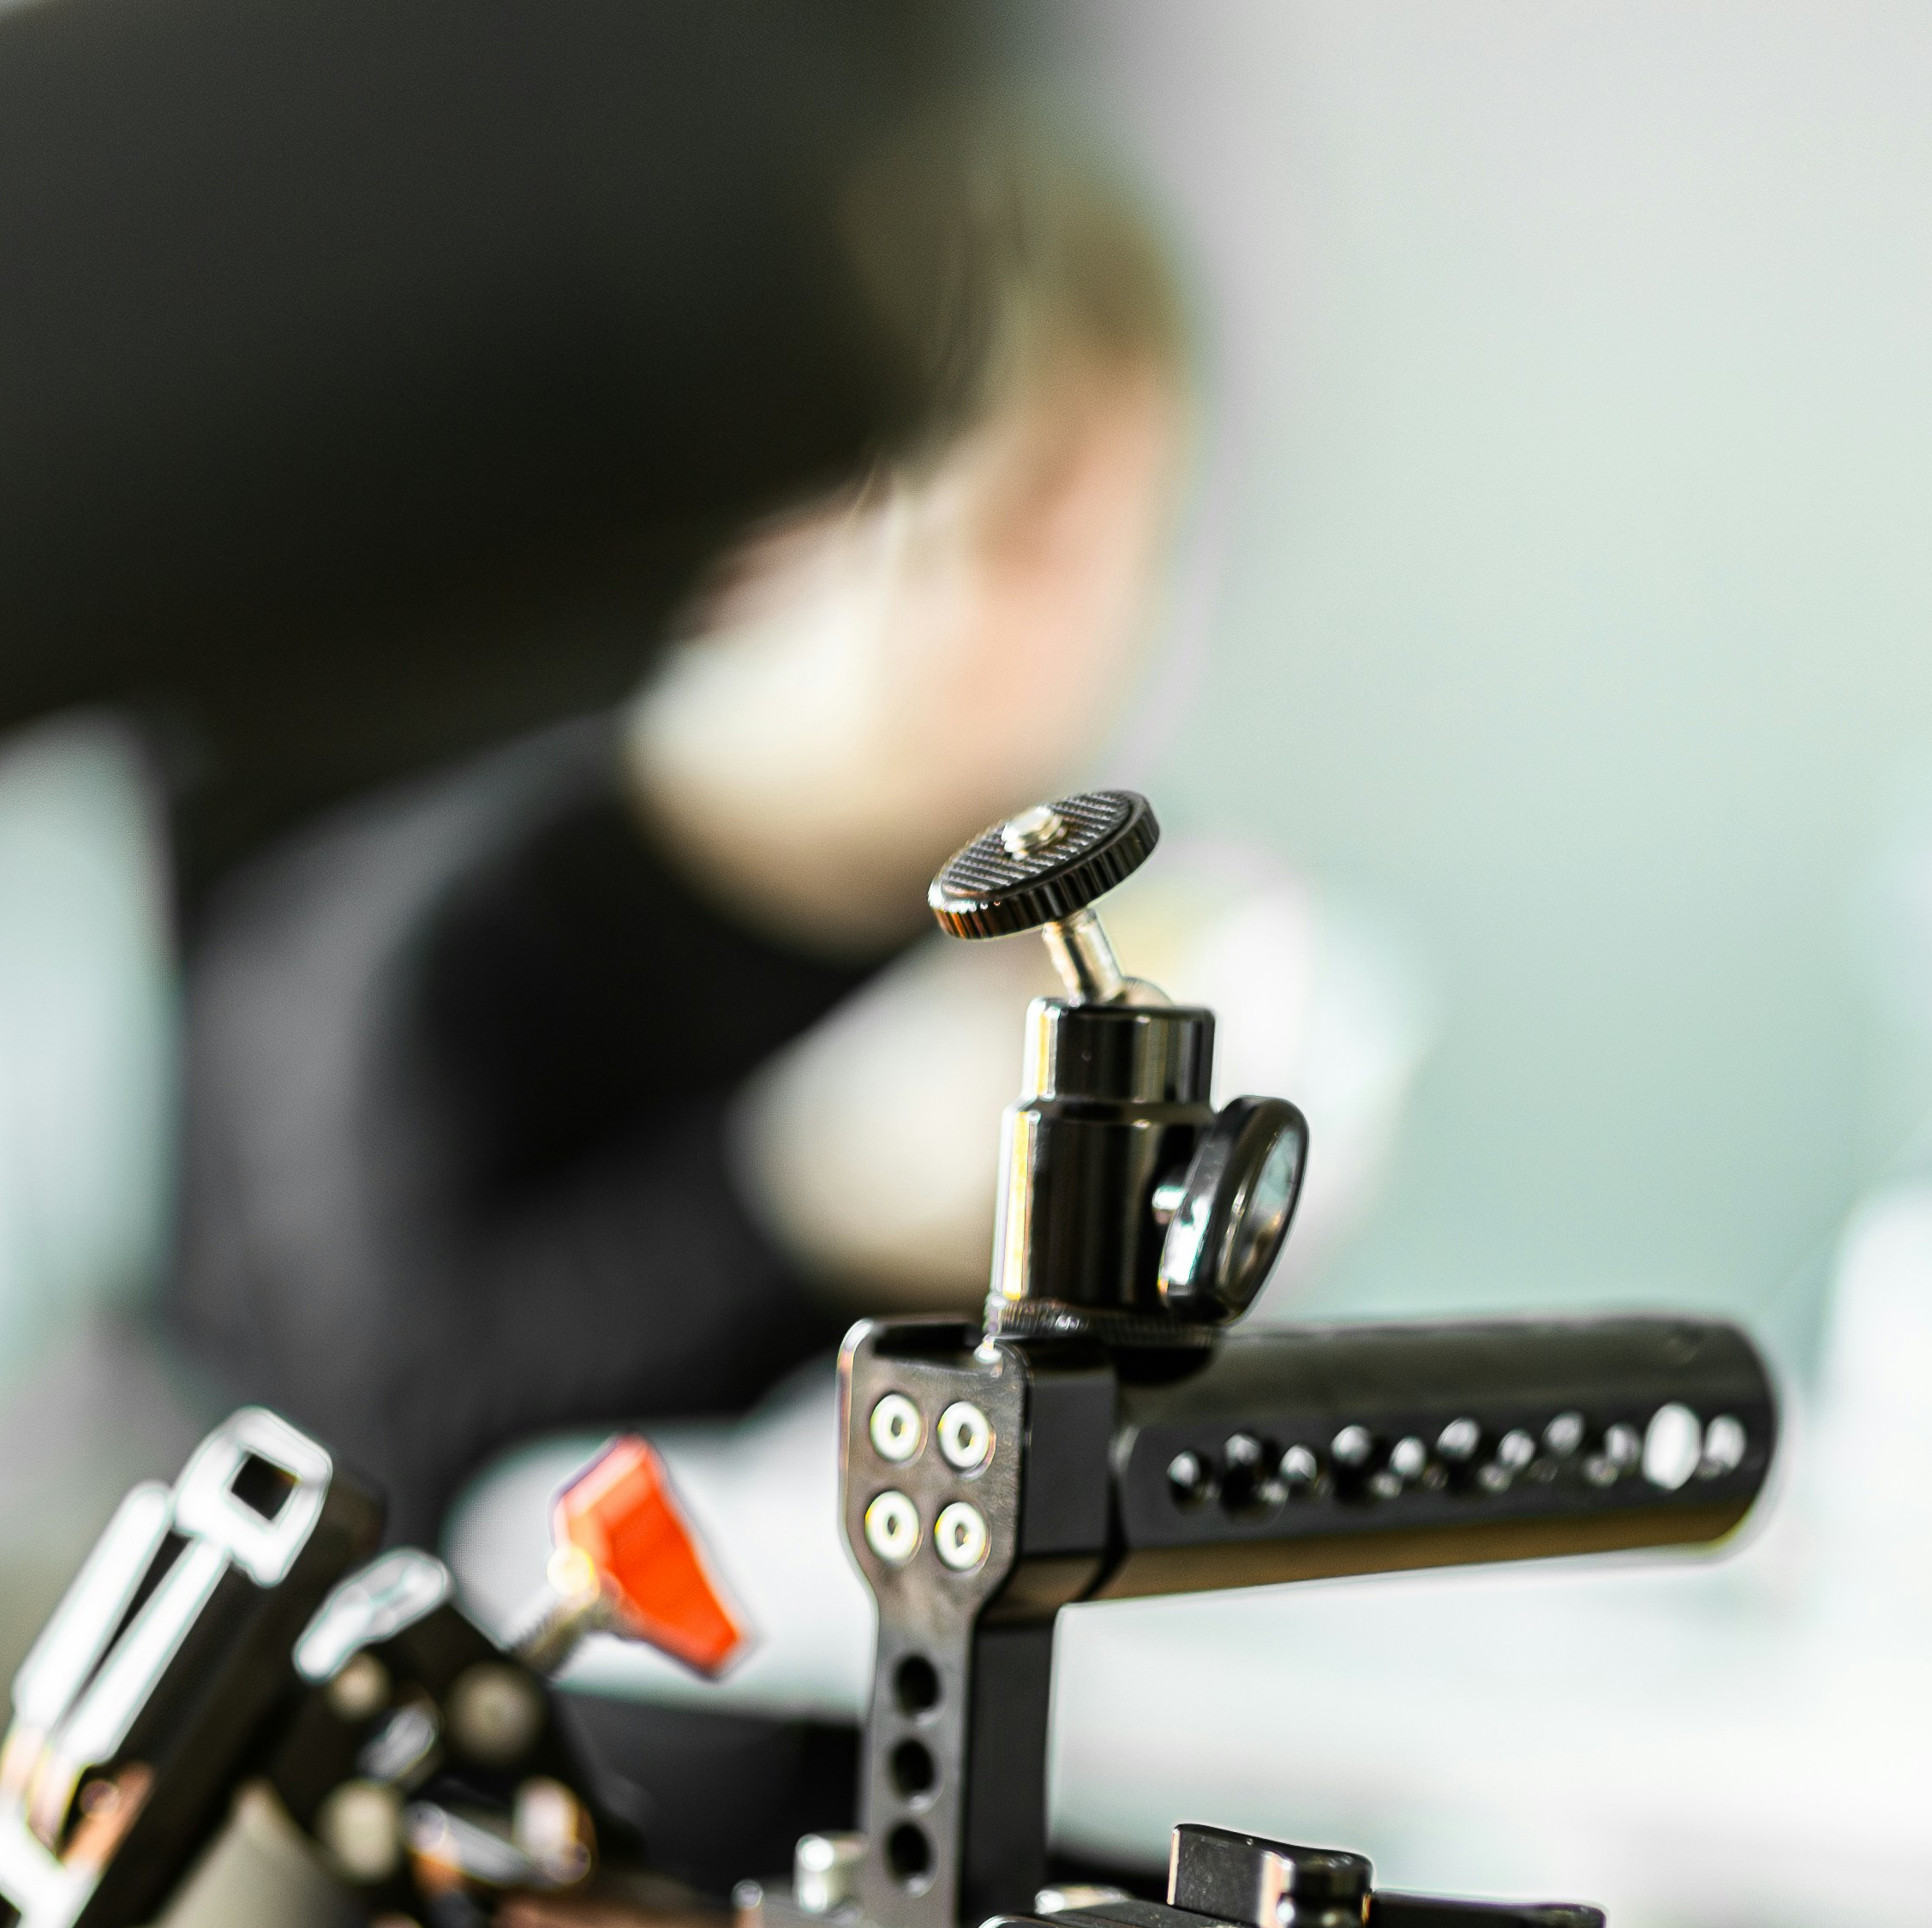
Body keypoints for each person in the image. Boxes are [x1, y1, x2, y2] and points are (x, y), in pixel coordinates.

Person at [167, 147, 1193, 1548]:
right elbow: (361, 1462)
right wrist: (799, 1194)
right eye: (998, 527)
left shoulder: (1062, 938)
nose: (990, 620)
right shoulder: (423, 947)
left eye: (1073, 542)